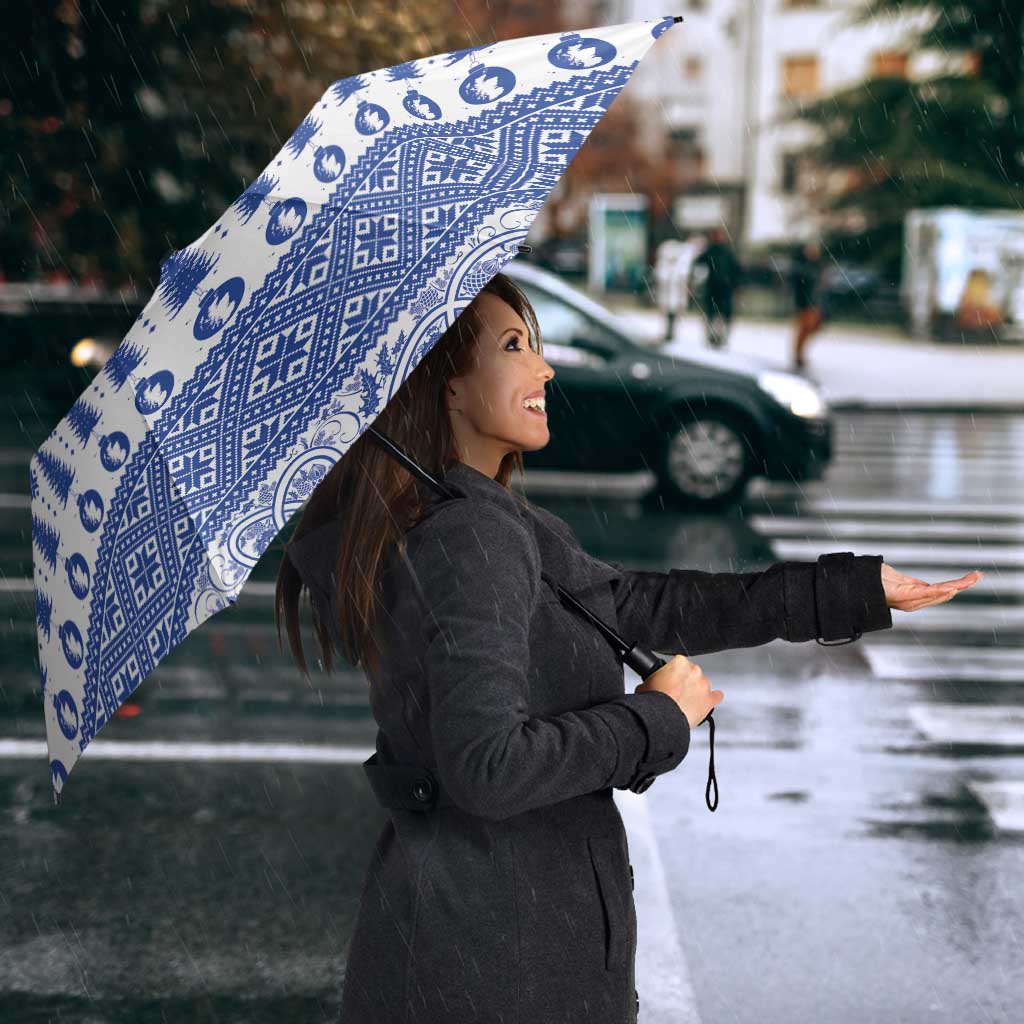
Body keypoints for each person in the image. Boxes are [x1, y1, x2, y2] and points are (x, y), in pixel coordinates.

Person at [275, 271, 980, 1024]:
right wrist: (655, 719)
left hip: (479, 941)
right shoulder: (470, 536)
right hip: (499, 962)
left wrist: (850, 590)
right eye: (514, 346)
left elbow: (641, 605)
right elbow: (487, 767)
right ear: (445, 385)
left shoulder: (476, 518)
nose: (544, 368)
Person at [692, 226, 742, 349]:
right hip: (715, 288)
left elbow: (736, 270)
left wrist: (735, 284)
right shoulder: (712, 251)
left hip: (723, 288)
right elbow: (698, 264)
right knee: (713, 314)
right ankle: (713, 337)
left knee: (720, 315)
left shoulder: (725, 252)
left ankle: (719, 337)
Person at [790, 239, 826, 370]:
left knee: (812, 328)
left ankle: (799, 354)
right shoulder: (802, 267)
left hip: (814, 303)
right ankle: (798, 355)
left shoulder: (817, 266)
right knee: (804, 329)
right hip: (805, 303)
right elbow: (799, 286)